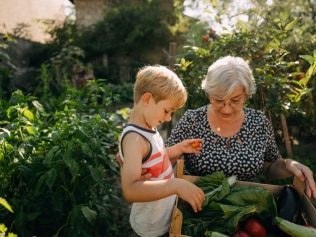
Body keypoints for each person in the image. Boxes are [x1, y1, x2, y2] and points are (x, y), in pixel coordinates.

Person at [165, 55, 316, 199]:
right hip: (198, 208)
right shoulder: (192, 120)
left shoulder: (258, 123)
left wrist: (288, 165)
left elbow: (270, 165)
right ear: (209, 94)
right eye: (218, 100)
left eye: (235, 101)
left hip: (245, 208)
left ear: (246, 95)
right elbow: (162, 159)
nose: (226, 109)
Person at [119, 65, 205, 237]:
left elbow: (157, 158)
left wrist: (180, 148)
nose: (167, 118)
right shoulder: (134, 140)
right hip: (151, 228)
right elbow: (130, 190)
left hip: (162, 217)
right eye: (167, 110)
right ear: (147, 99)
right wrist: (175, 185)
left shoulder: (148, 128)